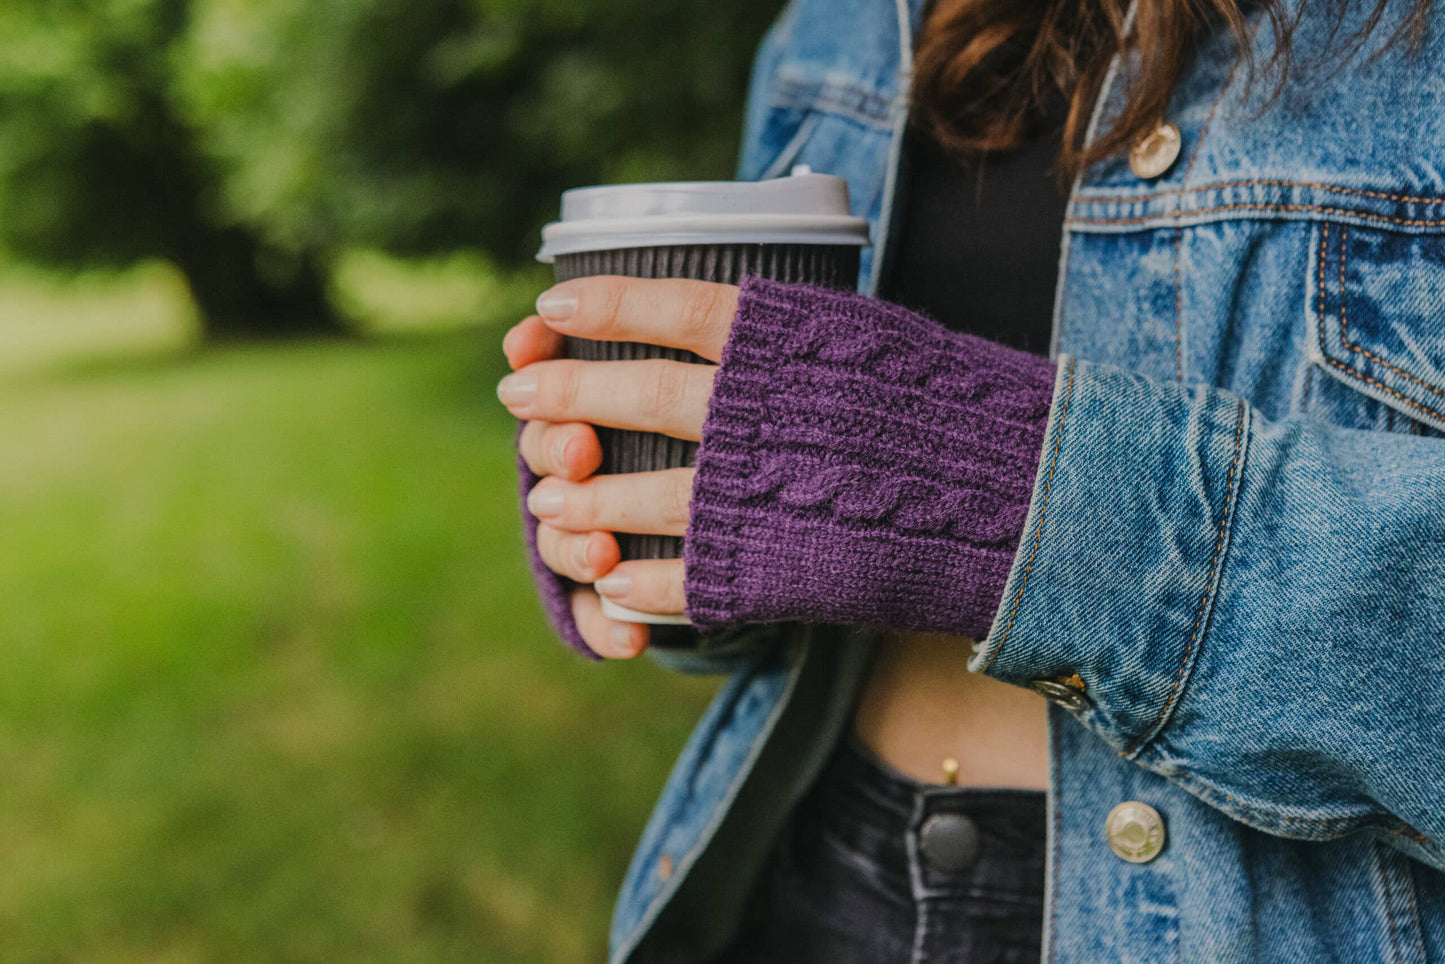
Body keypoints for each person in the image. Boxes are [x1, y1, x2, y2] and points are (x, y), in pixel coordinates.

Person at [498, 0, 1445, 957]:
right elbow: (785, 508)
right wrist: (646, 516)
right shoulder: (842, 25)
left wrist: (1027, 505)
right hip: (813, 869)